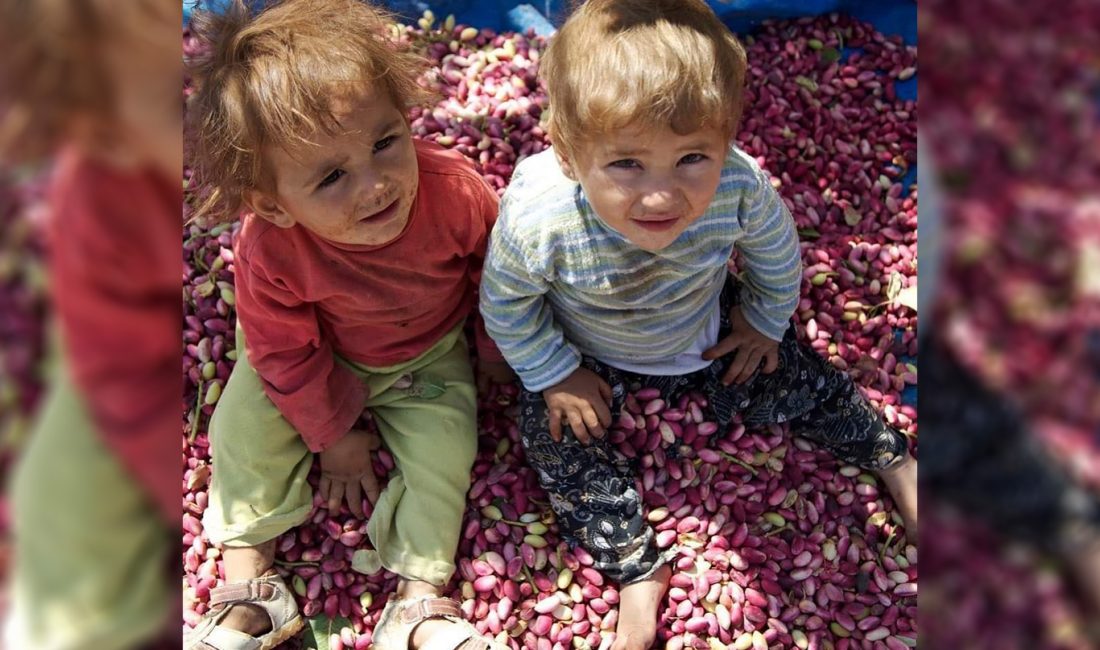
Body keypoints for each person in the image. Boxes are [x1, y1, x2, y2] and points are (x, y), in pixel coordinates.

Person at [479, 1, 918, 647]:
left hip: (704, 329)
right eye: (627, 164)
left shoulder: (739, 187)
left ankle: (892, 458)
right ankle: (634, 568)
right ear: (569, 154)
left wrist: (765, 324)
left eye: (692, 158)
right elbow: (507, 306)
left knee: (806, 377)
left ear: (728, 138)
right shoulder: (538, 219)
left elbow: (776, 257)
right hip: (589, 352)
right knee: (556, 445)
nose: (662, 196)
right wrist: (557, 373)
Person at [184, 1, 513, 648]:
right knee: (239, 426)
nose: (376, 185)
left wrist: (495, 352)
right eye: (332, 177)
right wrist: (331, 432)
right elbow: (282, 351)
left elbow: (498, 279)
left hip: (426, 349)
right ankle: (252, 583)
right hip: (316, 355)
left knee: (450, 446)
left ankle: (420, 602)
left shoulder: (456, 193)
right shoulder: (270, 248)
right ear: (273, 205)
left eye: (387, 142)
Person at [0, 0, 182, 648]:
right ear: (109, 135)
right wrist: (176, 489)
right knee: (68, 504)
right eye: (182, 102)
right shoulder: (103, 213)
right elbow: (124, 383)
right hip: (119, 356)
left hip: (255, 320)